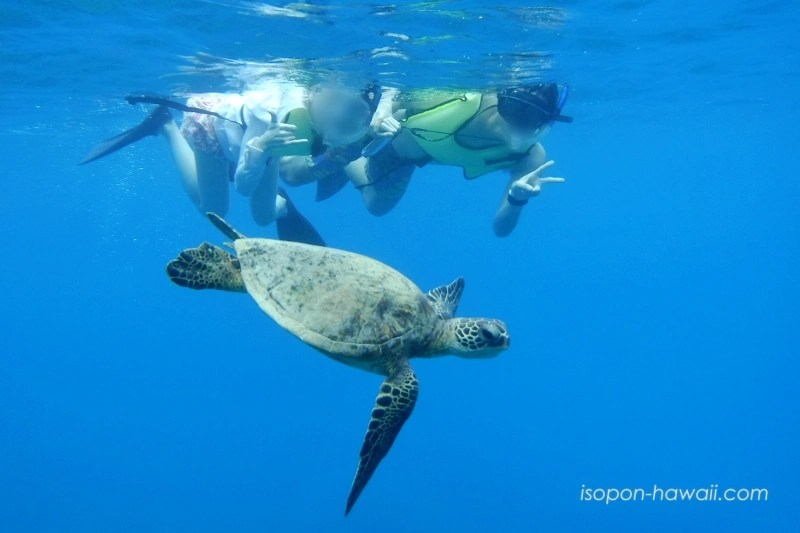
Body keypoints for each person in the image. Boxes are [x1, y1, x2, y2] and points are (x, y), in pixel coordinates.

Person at [80, 83, 386, 245]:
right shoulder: (272, 114)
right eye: (333, 104)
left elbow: (338, 145)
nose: (336, 119)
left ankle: (279, 203)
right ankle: (165, 126)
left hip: (264, 150)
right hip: (214, 129)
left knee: (265, 217)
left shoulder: (325, 120)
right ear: (316, 92)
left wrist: (380, 135)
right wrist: (261, 148)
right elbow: (243, 185)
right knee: (214, 210)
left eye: (352, 117)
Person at [313, 83, 572, 238]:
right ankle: (346, 150)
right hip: (392, 144)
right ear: (502, 99)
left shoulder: (529, 157)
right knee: (373, 203)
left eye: (531, 116)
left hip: (419, 157)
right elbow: (393, 92)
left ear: (546, 121)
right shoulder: (459, 98)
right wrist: (380, 114)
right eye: (513, 108)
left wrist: (517, 199)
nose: (516, 124)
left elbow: (500, 229)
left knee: (377, 206)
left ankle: (344, 159)